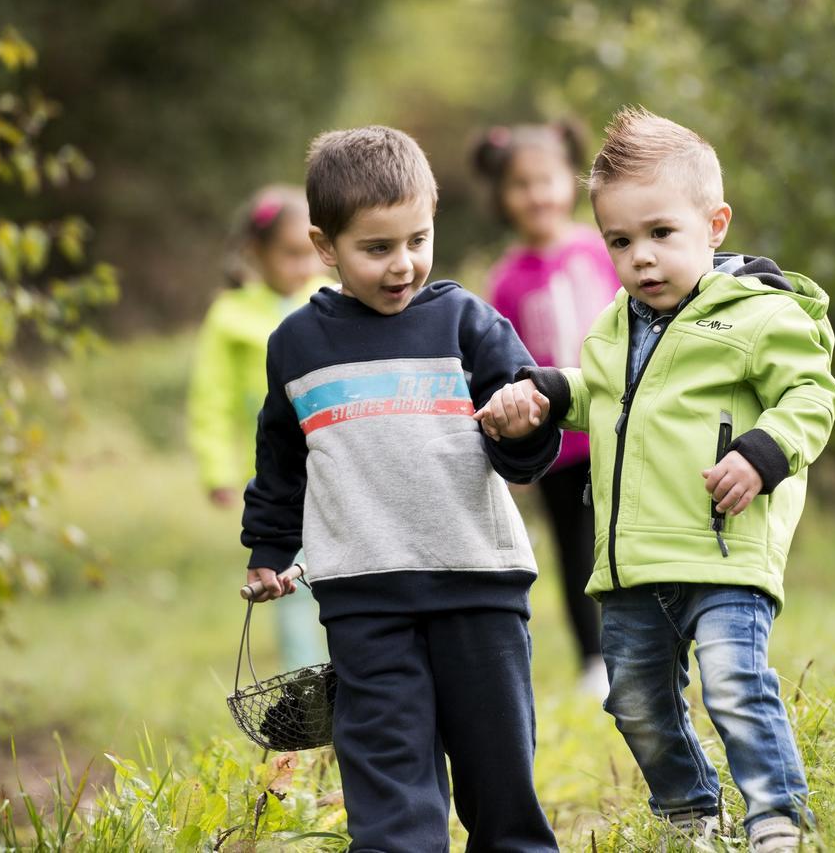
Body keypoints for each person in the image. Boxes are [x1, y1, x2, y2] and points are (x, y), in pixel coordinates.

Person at [474, 106, 835, 851]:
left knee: (734, 686)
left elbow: (814, 394)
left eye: (661, 234)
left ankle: (776, 816)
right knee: (636, 702)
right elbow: (603, 394)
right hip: (634, 560)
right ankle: (688, 812)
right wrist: (546, 393)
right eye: (620, 240)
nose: (640, 258)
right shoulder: (619, 322)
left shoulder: (757, 314)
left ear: (715, 224)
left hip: (721, 548)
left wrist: (765, 452)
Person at [241, 125, 560, 852]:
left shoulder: (466, 322)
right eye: (377, 249)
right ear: (326, 247)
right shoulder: (296, 345)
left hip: (478, 585)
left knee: (498, 772)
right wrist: (268, 547)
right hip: (364, 596)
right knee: (387, 776)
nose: (402, 265)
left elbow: (525, 449)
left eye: (418, 240)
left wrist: (522, 421)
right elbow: (282, 458)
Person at [471, 120, 620, 696]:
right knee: (575, 549)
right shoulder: (506, 280)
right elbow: (503, 366)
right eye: (522, 185)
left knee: (633, 530)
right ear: (502, 196)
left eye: (549, 180)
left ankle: (660, 642)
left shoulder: (600, 247)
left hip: (619, 422)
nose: (537, 195)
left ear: (572, 181)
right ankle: (594, 660)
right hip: (559, 443)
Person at [186, 185, 330, 670]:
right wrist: (216, 471)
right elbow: (212, 399)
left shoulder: (328, 300)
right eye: (289, 255)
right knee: (287, 578)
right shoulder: (230, 317)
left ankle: (354, 678)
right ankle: (309, 688)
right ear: (256, 253)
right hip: (278, 472)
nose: (302, 266)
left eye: (309, 253)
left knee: (338, 573)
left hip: (335, 460)